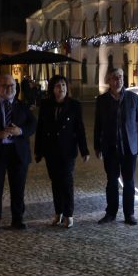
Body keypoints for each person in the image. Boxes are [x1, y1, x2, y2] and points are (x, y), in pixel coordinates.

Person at [0, 74, 36, 232]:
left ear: (15, 88)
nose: (8, 89)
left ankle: (17, 219)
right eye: (4, 86)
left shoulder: (22, 105)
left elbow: (33, 124)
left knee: (18, 188)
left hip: (17, 152)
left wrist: (21, 131)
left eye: (11, 86)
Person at [93, 67, 138, 225]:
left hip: (129, 147)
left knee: (129, 181)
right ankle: (111, 212)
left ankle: (129, 213)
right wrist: (97, 146)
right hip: (110, 147)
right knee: (112, 181)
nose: (118, 80)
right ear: (109, 80)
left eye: (121, 77)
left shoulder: (134, 98)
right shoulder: (102, 100)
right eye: (115, 77)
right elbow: (98, 125)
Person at [35, 75, 89, 229]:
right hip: (51, 151)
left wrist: (84, 150)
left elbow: (80, 129)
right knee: (55, 183)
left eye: (63, 85)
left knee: (66, 181)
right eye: (58, 86)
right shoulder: (45, 105)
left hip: (67, 151)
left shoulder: (74, 105)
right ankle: (58, 212)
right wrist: (38, 151)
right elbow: (40, 129)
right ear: (52, 89)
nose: (61, 88)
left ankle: (68, 214)